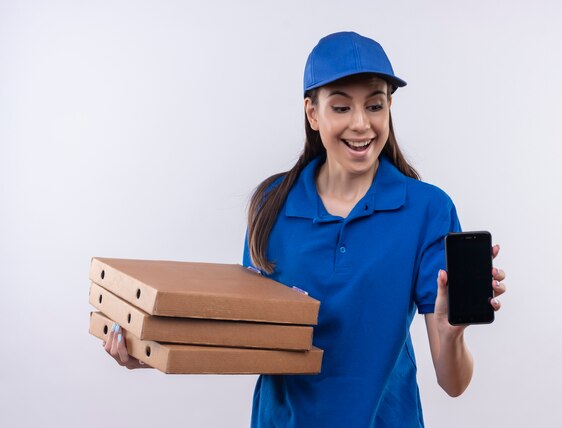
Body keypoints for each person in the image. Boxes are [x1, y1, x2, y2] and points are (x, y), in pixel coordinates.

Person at [104, 31, 507, 428]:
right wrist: (153, 347)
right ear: (313, 114)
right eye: (341, 107)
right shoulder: (272, 204)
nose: (362, 124)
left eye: (375, 105)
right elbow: (246, 339)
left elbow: (453, 384)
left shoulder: (427, 209)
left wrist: (450, 334)